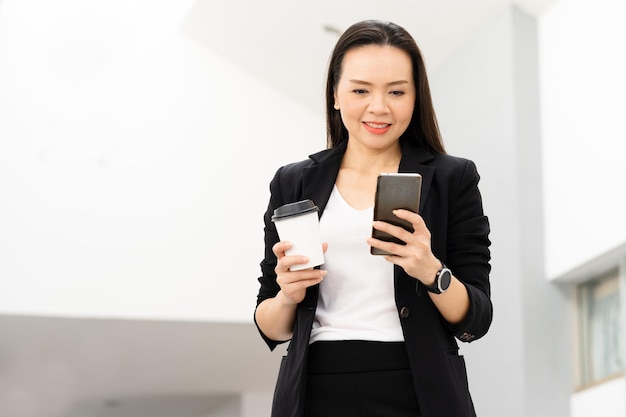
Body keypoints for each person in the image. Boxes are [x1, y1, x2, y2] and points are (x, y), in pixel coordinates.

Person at [254, 19, 492, 417]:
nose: (378, 107)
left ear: (416, 97)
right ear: (335, 95)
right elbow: (269, 324)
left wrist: (430, 269)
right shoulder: (293, 182)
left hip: (417, 386)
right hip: (315, 387)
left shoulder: (454, 179)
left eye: (397, 91)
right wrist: (289, 294)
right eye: (360, 90)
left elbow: (476, 318)